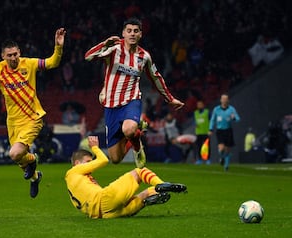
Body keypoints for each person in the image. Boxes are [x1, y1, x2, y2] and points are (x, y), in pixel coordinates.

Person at [0, 28, 66, 198]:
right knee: (18, 159)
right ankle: (35, 177)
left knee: (14, 153)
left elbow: (52, 63)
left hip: (33, 118)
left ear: (19, 52)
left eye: (15, 54)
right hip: (12, 121)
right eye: (9, 55)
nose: (13, 58)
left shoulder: (29, 64)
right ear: (3, 56)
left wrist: (58, 47)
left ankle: (33, 160)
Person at [85, 18, 184, 168]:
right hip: (111, 106)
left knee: (128, 129)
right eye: (129, 31)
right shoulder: (113, 50)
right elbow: (88, 56)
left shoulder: (144, 57)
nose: (132, 34)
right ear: (123, 33)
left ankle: (137, 145)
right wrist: (105, 43)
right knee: (115, 158)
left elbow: (156, 78)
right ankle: (136, 132)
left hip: (131, 100)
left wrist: (170, 99)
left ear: (140, 35)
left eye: (136, 31)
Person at [65, 136, 187, 219]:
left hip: (103, 215)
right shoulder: (73, 171)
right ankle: (161, 184)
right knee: (139, 172)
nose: (90, 164)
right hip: (104, 200)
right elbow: (103, 160)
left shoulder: (74, 182)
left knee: (144, 195)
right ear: (77, 163)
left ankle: (151, 197)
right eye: (87, 161)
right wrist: (95, 147)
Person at [209, 94, 240, 171]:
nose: (224, 100)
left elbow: (238, 119)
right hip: (220, 131)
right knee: (221, 148)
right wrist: (211, 129)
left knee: (227, 149)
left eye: (226, 99)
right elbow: (212, 119)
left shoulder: (231, 109)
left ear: (228, 100)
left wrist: (234, 118)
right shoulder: (216, 109)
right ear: (221, 100)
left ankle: (226, 166)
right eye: (223, 99)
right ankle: (222, 157)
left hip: (228, 131)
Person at [194, 100, 211, 164]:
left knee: (207, 147)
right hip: (198, 132)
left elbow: (210, 120)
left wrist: (210, 130)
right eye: (198, 104)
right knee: (199, 146)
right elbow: (195, 121)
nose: (199, 106)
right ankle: (199, 159)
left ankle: (208, 159)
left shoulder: (207, 112)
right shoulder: (195, 113)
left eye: (200, 104)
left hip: (206, 132)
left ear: (203, 105)